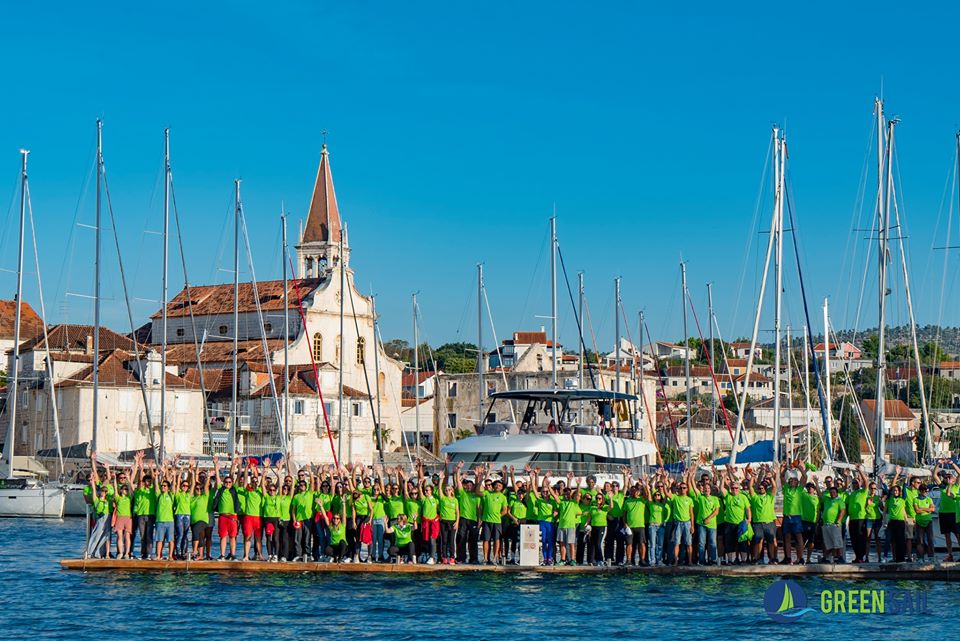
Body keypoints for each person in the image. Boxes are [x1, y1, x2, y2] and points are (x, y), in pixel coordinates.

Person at [474, 464, 509, 565]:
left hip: (497, 522)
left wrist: (498, 516)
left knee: (497, 540)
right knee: (486, 540)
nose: (497, 486)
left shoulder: (503, 497)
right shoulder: (487, 493)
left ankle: (494, 558)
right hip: (486, 521)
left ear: (502, 487)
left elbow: (505, 510)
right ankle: (485, 558)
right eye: (496, 485)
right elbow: (477, 491)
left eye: (499, 485)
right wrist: (481, 479)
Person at [718, 469, 751, 565]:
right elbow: (721, 488)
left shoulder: (743, 497)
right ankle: (731, 561)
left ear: (739, 489)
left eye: (736, 488)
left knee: (743, 542)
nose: (734, 490)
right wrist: (723, 478)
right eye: (733, 488)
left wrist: (749, 519)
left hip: (741, 523)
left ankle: (743, 560)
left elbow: (748, 509)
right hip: (729, 523)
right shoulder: (728, 496)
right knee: (729, 542)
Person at [212, 456, 242, 561]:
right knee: (223, 536)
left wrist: (236, 465)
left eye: (230, 482)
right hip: (223, 516)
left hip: (233, 516)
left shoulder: (235, 489)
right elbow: (217, 477)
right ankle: (223, 555)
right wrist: (216, 465)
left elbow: (237, 476)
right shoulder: (221, 489)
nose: (228, 484)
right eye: (226, 482)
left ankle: (233, 555)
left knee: (233, 536)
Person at [527, 467, 558, 565]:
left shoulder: (553, 501)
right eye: (543, 491)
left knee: (550, 541)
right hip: (542, 522)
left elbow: (557, 509)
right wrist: (531, 478)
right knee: (544, 541)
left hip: (550, 523)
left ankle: (550, 558)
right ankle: (545, 559)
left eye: (546, 491)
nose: (545, 493)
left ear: (549, 492)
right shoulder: (539, 500)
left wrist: (555, 513)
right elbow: (535, 490)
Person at [746, 467, 777, 564]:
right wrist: (752, 477)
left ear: (766, 488)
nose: (761, 489)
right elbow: (750, 487)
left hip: (769, 522)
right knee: (758, 541)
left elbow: (775, 487)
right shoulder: (755, 497)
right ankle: (757, 558)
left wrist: (771, 477)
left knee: (771, 542)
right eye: (759, 488)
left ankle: (772, 559)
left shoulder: (769, 496)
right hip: (758, 523)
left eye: (762, 487)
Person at [86, 453, 113, 559]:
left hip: (109, 513)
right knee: (97, 533)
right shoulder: (101, 486)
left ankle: (99, 552)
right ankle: (90, 552)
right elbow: (95, 477)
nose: (106, 477)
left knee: (106, 535)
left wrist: (107, 468)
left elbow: (110, 477)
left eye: (107, 476)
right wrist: (93, 461)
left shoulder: (110, 486)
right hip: (101, 514)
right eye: (105, 476)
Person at [131, 452, 157, 560]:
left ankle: (150, 553)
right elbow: (139, 480)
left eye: (149, 480)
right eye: (146, 481)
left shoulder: (152, 491)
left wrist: (151, 468)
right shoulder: (139, 490)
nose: (147, 482)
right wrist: (139, 466)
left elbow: (155, 480)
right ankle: (143, 554)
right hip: (140, 515)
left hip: (150, 515)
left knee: (149, 535)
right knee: (142, 536)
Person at [552, 474, 582, 566]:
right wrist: (548, 485)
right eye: (565, 493)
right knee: (562, 544)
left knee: (572, 544)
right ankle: (563, 559)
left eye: (568, 493)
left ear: (570, 494)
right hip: (561, 526)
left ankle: (573, 560)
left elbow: (577, 494)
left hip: (571, 526)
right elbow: (554, 495)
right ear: (564, 494)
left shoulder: (573, 502)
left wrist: (578, 485)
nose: (567, 494)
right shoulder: (561, 502)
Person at [454, 462, 481, 564]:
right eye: (468, 485)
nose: (469, 486)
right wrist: (459, 469)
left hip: (474, 520)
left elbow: (479, 508)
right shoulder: (462, 494)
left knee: (473, 540)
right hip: (464, 519)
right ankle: (461, 558)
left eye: (471, 485)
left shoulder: (476, 495)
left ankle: (473, 558)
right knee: (461, 538)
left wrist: (480, 520)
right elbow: (458, 481)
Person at [933, 459, 959, 561]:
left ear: (953, 479)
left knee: (958, 534)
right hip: (943, 513)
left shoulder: (956, 486)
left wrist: (952, 464)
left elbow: (959, 473)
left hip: (954, 513)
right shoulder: (942, 487)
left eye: (949, 477)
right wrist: (938, 463)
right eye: (946, 477)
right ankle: (950, 555)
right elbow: (934, 475)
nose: (947, 478)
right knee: (947, 535)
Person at [666, 475, 694, 567]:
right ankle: (676, 561)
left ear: (687, 489)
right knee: (676, 543)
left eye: (684, 488)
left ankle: (689, 561)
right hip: (678, 523)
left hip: (687, 523)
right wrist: (669, 484)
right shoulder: (675, 497)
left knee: (689, 543)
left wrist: (692, 526)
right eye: (681, 488)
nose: (682, 489)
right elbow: (666, 493)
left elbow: (691, 513)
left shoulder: (689, 499)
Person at [240, 460, 266, 561]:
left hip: (258, 517)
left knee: (258, 538)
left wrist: (262, 472)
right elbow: (246, 479)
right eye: (253, 481)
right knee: (247, 537)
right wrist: (246, 467)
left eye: (256, 481)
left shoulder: (260, 491)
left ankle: (260, 555)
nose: (254, 482)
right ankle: (246, 555)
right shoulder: (248, 491)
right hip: (248, 516)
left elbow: (262, 483)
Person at [622, 470, 647, 566]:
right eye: (632, 491)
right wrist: (625, 524)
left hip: (640, 526)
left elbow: (646, 495)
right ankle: (628, 560)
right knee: (629, 544)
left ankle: (642, 560)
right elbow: (624, 514)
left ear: (638, 492)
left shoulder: (641, 500)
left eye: (635, 491)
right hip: (630, 526)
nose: (634, 492)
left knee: (642, 544)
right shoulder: (627, 501)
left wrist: (644, 484)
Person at [845, 466, 870, 563]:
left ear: (860, 483)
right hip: (852, 519)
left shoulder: (863, 492)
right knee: (853, 539)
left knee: (860, 538)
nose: (855, 484)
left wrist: (859, 470)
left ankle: (861, 557)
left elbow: (866, 482)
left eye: (857, 482)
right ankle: (857, 557)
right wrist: (847, 476)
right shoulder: (851, 494)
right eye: (854, 483)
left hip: (860, 518)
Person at [290, 466, 315, 562]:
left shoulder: (309, 493)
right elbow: (293, 509)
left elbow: (312, 482)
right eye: (300, 485)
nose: (302, 486)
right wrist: (294, 519)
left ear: (306, 486)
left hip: (308, 519)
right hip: (299, 520)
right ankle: (298, 555)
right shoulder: (296, 496)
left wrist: (310, 472)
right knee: (297, 538)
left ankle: (308, 555)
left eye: (303, 485)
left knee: (307, 538)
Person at [189, 460, 212, 560]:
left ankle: (194, 551)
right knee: (200, 537)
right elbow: (193, 484)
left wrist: (209, 477)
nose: (198, 490)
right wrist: (193, 470)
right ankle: (201, 555)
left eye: (200, 489)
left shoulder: (205, 497)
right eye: (197, 489)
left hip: (202, 519)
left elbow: (206, 486)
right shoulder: (191, 498)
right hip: (193, 520)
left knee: (195, 531)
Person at [153, 462, 176, 561]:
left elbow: (174, 485)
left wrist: (172, 475)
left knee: (171, 540)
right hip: (159, 521)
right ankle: (158, 556)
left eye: (165, 486)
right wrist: (157, 477)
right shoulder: (159, 495)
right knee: (159, 540)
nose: (163, 487)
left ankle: (170, 556)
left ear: (168, 487)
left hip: (170, 521)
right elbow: (156, 486)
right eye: (162, 486)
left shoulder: (171, 495)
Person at [112, 463, 134, 559]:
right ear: (121, 490)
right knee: (120, 536)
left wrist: (128, 478)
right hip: (120, 518)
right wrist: (114, 479)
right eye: (123, 489)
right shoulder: (118, 498)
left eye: (125, 489)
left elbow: (131, 489)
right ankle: (120, 553)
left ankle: (126, 553)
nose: (124, 490)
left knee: (127, 537)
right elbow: (115, 489)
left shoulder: (129, 497)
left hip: (128, 518)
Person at [172, 459, 194, 560]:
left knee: (185, 535)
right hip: (179, 515)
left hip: (187, 515)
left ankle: (184, 552)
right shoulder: (178, 494)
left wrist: (192, 472)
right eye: (183, 485)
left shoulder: (188, 495)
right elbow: (175, 485)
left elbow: (193, 484)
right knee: (180, 534)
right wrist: (180, 473)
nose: (185, 487)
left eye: (186, 486)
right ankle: (177, 552)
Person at [437, 471, 460, 564]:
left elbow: (457, 512)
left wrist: (457, 522)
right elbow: (439, 488)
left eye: (449, 489)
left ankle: (452, 557)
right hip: (444, 521)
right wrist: (441, 479)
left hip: (453, 521)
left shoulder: (455, 500)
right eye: (446, 490)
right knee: (444, 540)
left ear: (452, 490)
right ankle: (444, 557)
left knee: (451, 541)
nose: (447, 491)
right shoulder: (443, 498)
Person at [820, 485, 846, 564]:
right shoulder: (827, 499)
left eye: (834, 492)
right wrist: (816, 483)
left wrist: (838, 521)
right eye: (831, 492)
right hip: (826, 524)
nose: (832, 494)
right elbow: (819, 494)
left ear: (837, 493)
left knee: (837, 542)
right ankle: (827, 558)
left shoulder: (839, 500)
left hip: (834, 524)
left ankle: (840, 556)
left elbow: (842, 511)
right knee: (828, 543)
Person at [800, 480, 820, 564]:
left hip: (813, 522)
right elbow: (801, 485)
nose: (810, 488)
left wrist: (817, 521)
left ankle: (808, 559)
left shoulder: (817, 498)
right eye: (808, 487)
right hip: (804, 521)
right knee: (802, 541)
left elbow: (818, 511)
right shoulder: (803, 495)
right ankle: (800, 558)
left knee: (811, 541)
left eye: (812, 487)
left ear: (814, 489)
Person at [886, 484, 908, 563]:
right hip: (892, 522)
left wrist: (906, 481)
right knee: (893, 541)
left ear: (899, 492)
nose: (895, 492)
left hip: (900, 522)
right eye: (894, 490)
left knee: (901, 540)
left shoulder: (902, 499)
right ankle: (894, 558)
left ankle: (901, 558)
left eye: (897, 490)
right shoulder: (890, 499)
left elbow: (904, 490)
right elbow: (887, 489)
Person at [913, 484, 935, 563]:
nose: (926, 492)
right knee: (920, 541)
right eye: (924, 491)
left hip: (928, 521)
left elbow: (932, 509)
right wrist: (927, 509)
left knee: (930, 540)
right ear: (920, 491)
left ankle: (931, 557)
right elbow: (917, 511)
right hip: (919, 522)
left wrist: (922, 508)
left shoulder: (929, 499)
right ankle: (920, 557)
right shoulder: (916, 499)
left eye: (927, 491)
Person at [864, 479, 883, 563]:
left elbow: (882, 508)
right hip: (869, 519)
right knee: (868, 538)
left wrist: (881, 502)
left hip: (877, 519)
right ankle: (867, 557)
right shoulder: (866, 498)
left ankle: (879, 557)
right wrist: (866, 504)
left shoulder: (878, 498)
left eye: (875, 488)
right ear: (869, 488)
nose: (873, 490)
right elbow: (863, 508)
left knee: (877, 539)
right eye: (871, 488)